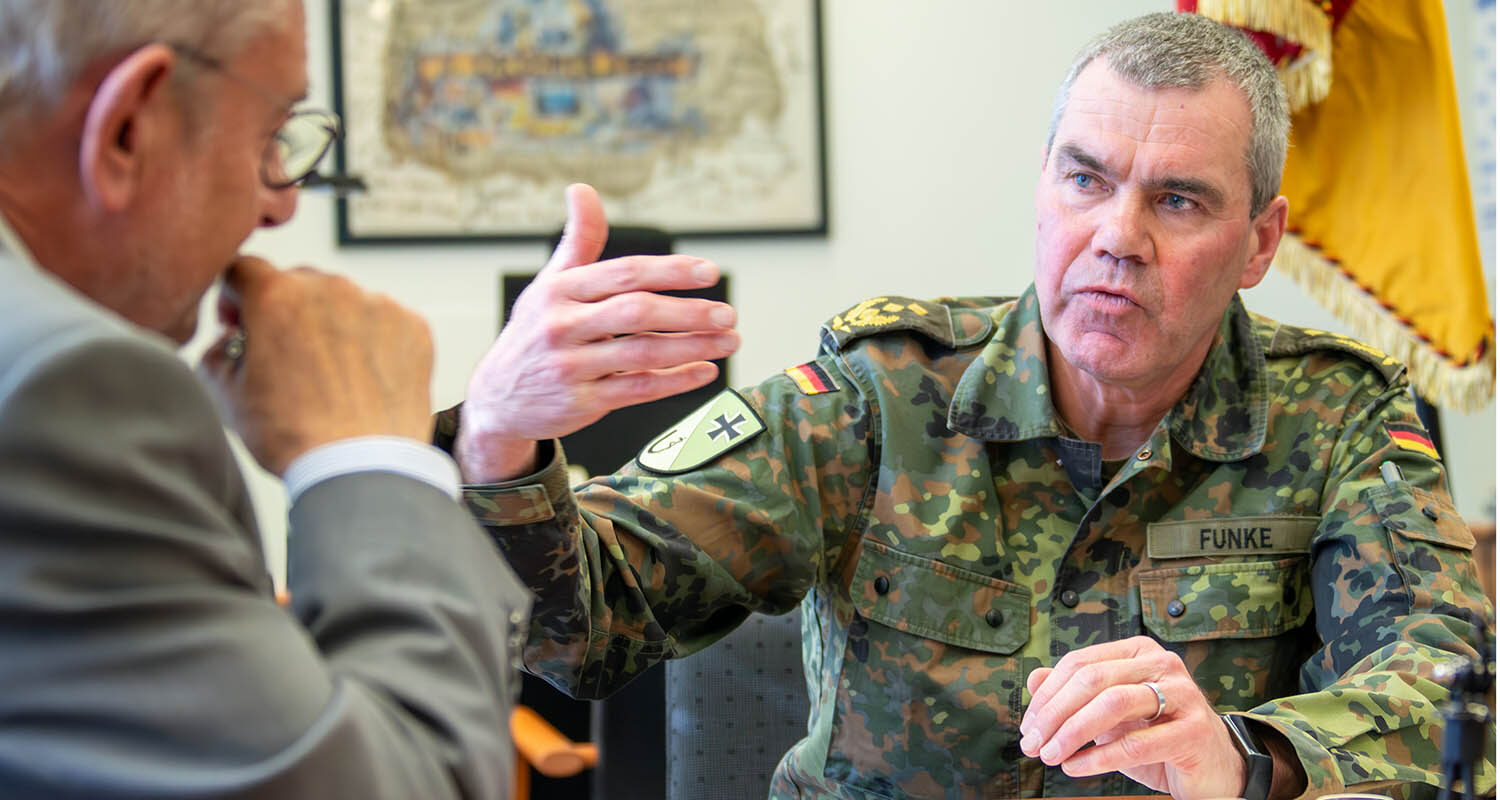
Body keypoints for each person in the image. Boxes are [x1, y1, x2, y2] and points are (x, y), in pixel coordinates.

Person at [449, 10, 1496, 800]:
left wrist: (1243, 754)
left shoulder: (1339, 415)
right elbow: (578, 627)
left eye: (1177, 200)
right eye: (1085, 180)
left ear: (1260, 242)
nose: (1117, 236)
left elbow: (1455, 700)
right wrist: (499, 437)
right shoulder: (878, 395)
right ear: (1042, 184)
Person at [0, 1, 737, 796]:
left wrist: (482, 437)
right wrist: (367, 459)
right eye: (269, 138)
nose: (280, 204)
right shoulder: (60, 389)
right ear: (128, 129)